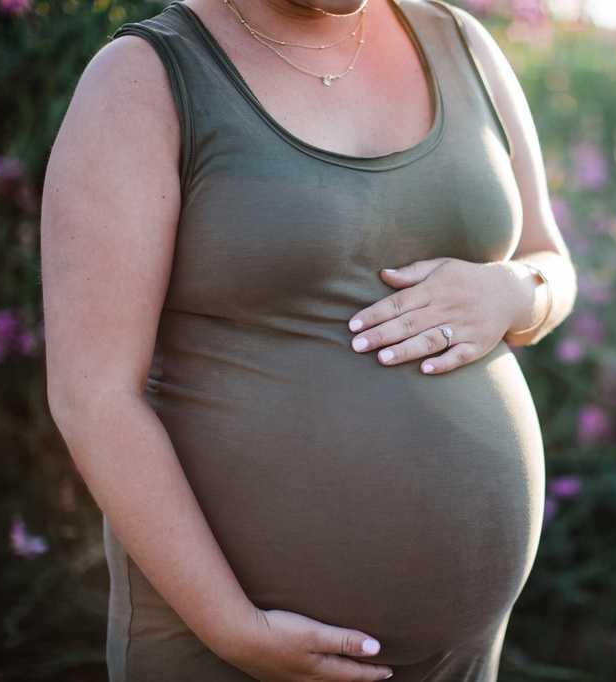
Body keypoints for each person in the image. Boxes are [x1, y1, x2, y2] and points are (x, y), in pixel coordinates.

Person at [41, 0, 576, 677]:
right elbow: (94, 397)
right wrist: (233, 629)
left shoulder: (461, 45)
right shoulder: (143, 80)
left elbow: (549, 260)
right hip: (229, 652)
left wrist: (517, 292)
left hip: (460, 659)